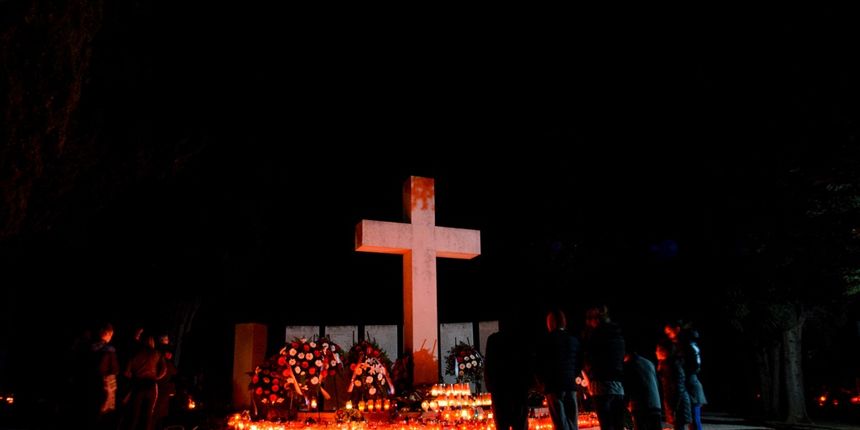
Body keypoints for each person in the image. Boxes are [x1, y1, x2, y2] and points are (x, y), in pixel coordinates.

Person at [535, 309, 581, 430]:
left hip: (553, 386)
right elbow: (578, 363)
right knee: (573, 421)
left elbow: (539, 364)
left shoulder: (546, 341)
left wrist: (541, 383)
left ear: (550, 323)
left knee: (560, 422)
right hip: (570, 385)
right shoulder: (573, 340)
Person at [583, 305, 626, 430]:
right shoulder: (618, 337)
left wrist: (589, 379)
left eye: (589, 320)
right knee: (618, 425)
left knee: (606, 425)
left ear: (595, 320)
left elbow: (589, 361)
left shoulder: (594, 337)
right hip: (618, 387)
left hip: (601, 386)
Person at [485, 316, 530, 430]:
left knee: (502, 423)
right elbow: (527, 363)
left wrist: (490, 385)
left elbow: (488, 364)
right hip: (518, 388)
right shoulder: (521, 340)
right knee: (519, 423)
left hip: (500, 389)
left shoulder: (493, 340)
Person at [664, 321, 707, 430]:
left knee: (693, 420)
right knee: (691, 420)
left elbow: (692, 367)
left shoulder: (685, 346)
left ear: (677, 329)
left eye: (670, 331)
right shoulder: (688, 344)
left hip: (691, 388)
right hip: (691, 387)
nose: (668, 335)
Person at [623, 346, 662, 430]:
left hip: (640, 406)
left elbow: (628, 386)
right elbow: (657, 382)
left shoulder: (629, 365)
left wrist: (626, 403)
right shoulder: (649, 362)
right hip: (655, 403)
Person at [656, 340, 690, 430]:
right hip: (675, 404)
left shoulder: (674, 365)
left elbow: (678, 388)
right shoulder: (666, 364)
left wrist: (674, 408)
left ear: (665, 351)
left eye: (659, 350)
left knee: (679, 426)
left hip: (679, 404)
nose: (656, 352)